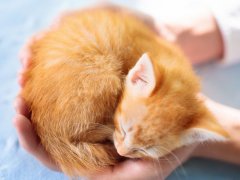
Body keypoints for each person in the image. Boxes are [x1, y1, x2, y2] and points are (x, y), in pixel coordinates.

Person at [13, 4, 240, 180]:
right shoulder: (145, 76)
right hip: (78, 76)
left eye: (145, 149)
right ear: (137, 76)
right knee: (96, 72)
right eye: (121, 128)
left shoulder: (153, 75)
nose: (122, 149)